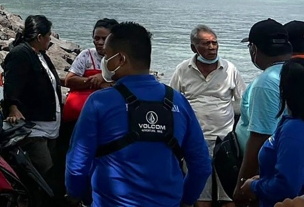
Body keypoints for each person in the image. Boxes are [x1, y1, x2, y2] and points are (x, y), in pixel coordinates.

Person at [65, 22, 212, 207]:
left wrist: (78, 196)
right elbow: (201, 166)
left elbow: (77, 166)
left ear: (120, 59)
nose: (105, 62)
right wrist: (185, 200)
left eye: (108, 56)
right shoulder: (178, 101)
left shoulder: (99, 102)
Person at [168, 24, 245, 207]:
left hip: (225, 141)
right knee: (200, 196)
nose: (212, 47)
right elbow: (171, 102)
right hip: (195, 140)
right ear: (194, 48)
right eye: (206, 44)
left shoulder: (229, 69)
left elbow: (243, 102)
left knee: (229, 195)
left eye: (214, 43)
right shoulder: (182, 69)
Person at [233, 59, 304, 207]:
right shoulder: (299, 122)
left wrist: (253, 187)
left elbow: (287, 187)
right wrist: (263, 179)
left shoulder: (297, 130)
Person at [235, 19, 293, 193]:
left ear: (254, 49)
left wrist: (242, 184)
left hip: (266, 175)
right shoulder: (298, 71)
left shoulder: (266, 82)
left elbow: (260, 137)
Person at [2, 14, 62, 180]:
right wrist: (13, 108)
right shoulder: (20, 54)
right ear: (39, 37)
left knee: (49, 170)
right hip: (33, 127)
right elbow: (12, 83)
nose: (50, 39)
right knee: (44, 170)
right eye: (49, 36)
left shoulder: (41, 54)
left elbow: (48, 79)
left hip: (50, 125)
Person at [64, 18, 118, 123]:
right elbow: (69, 80)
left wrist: (103, 77)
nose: (99, 42)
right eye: (96, 38)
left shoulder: (120, 59)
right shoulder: (86, 55)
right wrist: (95, 82)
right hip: (79, 115)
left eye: (104, 39)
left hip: (107, 116)